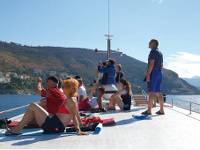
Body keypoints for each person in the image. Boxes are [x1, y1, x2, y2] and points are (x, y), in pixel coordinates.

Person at [5, 78, 88, 135]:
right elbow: (76, 114)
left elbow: (74, 116)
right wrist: (81, 126)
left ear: (68, 88)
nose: (62, 88)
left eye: (64, 87)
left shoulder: (71, 100)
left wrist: (78, 130)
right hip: (54, 123)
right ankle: (17, 128)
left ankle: (17, 129)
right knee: (33, 107)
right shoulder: (72, 99)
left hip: (54, 126)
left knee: (32, 105)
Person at [142, 39, 164, 115]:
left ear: (153, 44)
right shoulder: (160, 53)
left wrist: (148, 74)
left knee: (151, 92)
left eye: (150, 43)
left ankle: (149, 111)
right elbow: (161, 65)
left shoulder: (153, 51)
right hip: (159, 73)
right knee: (158, 92)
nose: (148, 44)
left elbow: (151, 63)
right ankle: (161, 110)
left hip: (154, 73)